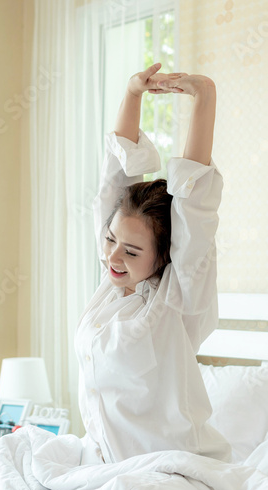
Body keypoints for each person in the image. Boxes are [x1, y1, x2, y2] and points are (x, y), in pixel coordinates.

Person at [75, 63, 232, 465]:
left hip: (166, 466)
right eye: (111, 239)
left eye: (131, 251)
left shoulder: (176, 297)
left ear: (164, 256)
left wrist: (205, 96)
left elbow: (195, 210)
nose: (112, 256)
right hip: (101, 464)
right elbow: (114, 180)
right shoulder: (112, 284)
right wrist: (132, 93)